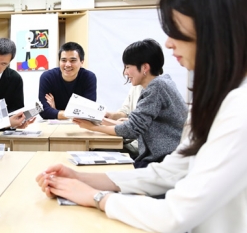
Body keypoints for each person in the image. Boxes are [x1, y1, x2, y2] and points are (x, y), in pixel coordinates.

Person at [37, 0, 247, 233]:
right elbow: (170, 172)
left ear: (214, 27)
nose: (168, 43)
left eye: (175, 31)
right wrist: (82, 178)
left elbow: (176, 213)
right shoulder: (223, 95)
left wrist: (97, 196)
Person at [73, 39, 187, 167]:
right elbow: (134, 123)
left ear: (145, 67)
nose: (125, 72)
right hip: (163, 156)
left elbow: (131, 129)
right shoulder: (161, 83)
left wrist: (92, 127)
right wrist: (100, 120)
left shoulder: (156, 87)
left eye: (127, 67)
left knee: (101, 165)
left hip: (163, 161)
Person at [38, 42, 97, 120]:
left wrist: (55, 111)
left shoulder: (89, 77)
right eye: (64, 60)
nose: (68, 64)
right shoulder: (47, 77)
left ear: (81, 62)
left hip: (81, 126)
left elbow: (88, 112)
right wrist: (75, 113)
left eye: (73, 60)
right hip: (53, 126)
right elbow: (43, 111)